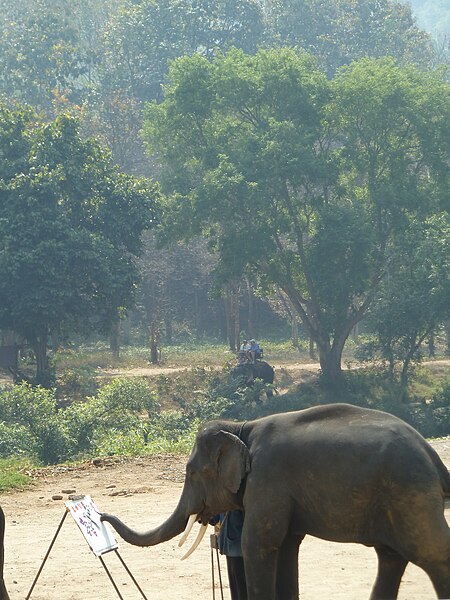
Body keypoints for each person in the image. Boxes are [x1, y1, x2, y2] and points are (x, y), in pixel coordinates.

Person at [212, 510, 247, 600]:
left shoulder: (240, 498)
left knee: (241, 588)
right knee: (235, 588)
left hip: (240, 549)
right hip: (230, 548)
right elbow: (214, 519)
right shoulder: (224, 499)